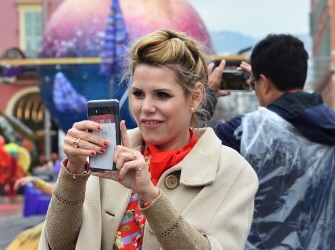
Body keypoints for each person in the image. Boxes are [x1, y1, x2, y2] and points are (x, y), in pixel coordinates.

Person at [39, 29, 258, 250]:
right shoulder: (105, 157)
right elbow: (58, 244)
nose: (146, 108)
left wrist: (151, 197)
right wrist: (73, 172)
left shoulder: (232, 171)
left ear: (195, 97)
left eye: (162, 95)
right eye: (138, 94)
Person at [210, 34, 335, 249]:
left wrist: (208, 96)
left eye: (256, 83)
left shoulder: (247, 130)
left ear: (263, 83)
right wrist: (261, 79)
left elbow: (194, 144)